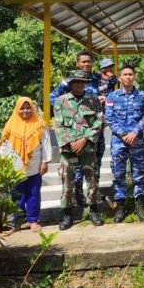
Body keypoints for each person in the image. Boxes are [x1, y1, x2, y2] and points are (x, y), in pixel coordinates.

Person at [49, 51, 117, 208]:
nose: (87, 64)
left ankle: (94, 196)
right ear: (77, 63)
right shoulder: (68, 82)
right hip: (72, 135)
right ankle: (78, 196)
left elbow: (109, 94)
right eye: (83, 62)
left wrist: (103, 101)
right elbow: (53, 99)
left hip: (94, 132)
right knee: (74, 171)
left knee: (94, 167)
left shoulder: (98, 79)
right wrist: (70, 109)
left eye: (89, 62)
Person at [53, 70, 103, 230]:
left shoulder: (93, 100)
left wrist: (84, 140)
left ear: (86, 83)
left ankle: (94, 211)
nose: (79, 84)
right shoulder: (61, 101)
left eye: (82, 81)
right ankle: (67, 215)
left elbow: (99, 121)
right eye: (76, 81)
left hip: (87, 147)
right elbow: (58, 125)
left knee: (92, 180)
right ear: (71, 83)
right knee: (67, 182)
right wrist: (71, 143)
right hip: (68, 150)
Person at [0, 97, 51, 232]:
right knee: (17, 195)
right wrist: (4, 164)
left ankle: (33, 220)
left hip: (34, 167)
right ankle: (16, 222)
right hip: (15, 168)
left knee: (33, 194)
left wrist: (45, 162)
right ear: (17, 109)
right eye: (22, 108)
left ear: (32, 109)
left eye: (28, 108)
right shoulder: (10, 126)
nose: (25, 111)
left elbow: (45, 144)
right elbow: (4, 147)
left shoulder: (40, 124)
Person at [105, 64, 144, 223]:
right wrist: (123, 134)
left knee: (139, 172)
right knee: (119, 174)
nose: (128, 77)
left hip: (136, 139)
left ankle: (140, 205)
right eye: (125, 74)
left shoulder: (142, 95)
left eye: (131, 74)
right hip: (119, 141)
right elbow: (109, 118)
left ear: (134, 76)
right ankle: (121, 206)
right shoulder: (112, 97)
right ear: (119, 77)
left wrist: (134, 132)